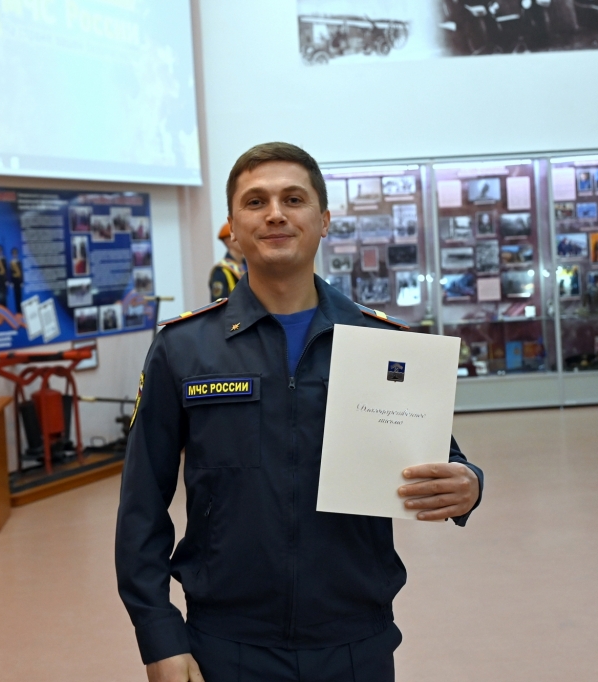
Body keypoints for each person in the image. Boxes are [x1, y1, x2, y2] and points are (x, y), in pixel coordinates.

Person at [116, 142, 484, 682]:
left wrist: (469, 483)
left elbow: (441, 457)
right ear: (233, 227)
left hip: (355, 640)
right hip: (226, 643)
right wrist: (158, 634)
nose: (275, 214)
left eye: (293, 199)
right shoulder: (183, 349)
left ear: (324, 220)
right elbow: (141, 505)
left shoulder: (381, 344)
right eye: (255, 202)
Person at [208, 221, 245, 300]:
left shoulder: (249, 265)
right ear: (228, 242)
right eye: (239, 236)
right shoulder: (221, 271)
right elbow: (219, 303)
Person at [9, 246, 24, 313]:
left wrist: (22, 282)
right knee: (15, 297)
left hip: (19, 281)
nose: (15, 255)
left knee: (20, 297)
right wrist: (11, 282)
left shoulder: (19, 262)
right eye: (13, 254)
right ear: (12, 254)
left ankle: (20, 311)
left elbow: (21, 272)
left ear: (17, 254)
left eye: (16, 253)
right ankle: (17, 311)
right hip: (14, 282)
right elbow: (10, 273)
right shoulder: (11, 263)